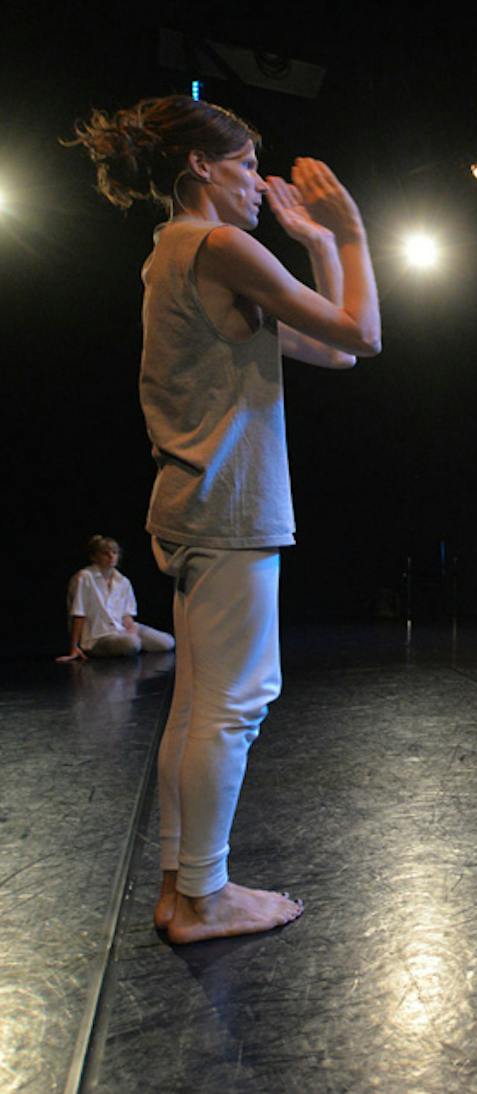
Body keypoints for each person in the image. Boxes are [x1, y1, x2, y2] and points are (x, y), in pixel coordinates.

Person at [68, 94, 381, 942]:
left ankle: (183, 887)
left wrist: (313, 244)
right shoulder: (217, 244)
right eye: (244, 165)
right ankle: (203, 898)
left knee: (200, 705)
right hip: (230, 506)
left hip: (194, 506)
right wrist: (349, 230)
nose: (257, 183)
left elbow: (339, 351)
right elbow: (369, 330)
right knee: (234, 703)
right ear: (200, 166)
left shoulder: (173, 254)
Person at [57, 534, 175, 661]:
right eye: (105, 553)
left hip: (120, 630)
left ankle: (132, 644)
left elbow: (127, 615)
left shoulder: (123, 581)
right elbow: (78, 613)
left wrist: (131, 629)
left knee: (168, 642)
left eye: (114, 553)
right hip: (98, 637)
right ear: (94, 557)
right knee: (131, 644)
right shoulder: (85, 577)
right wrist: (74, 646)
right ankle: (129, 645)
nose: (111, 557)